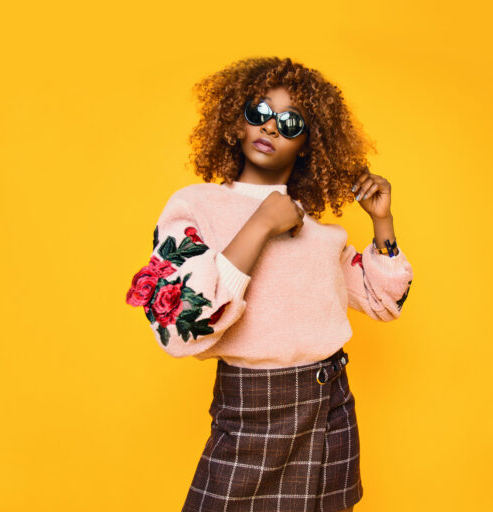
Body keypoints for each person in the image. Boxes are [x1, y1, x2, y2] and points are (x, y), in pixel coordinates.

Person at [126, 56, 413, 512]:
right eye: (259, 112)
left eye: (290, 121)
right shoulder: (196, 206)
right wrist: (260, 224)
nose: (271, 127)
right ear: (235, 122)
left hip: (330, 408)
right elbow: (182, 323)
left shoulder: (321, 234)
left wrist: (382, 221)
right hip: (250, 414)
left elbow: (383, 301)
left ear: (308, 145)